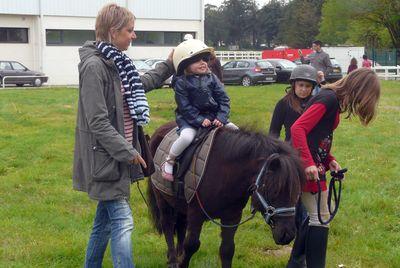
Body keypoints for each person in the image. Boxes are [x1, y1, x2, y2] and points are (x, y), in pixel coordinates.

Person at [72, 4, 174, 267]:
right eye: (130, 30)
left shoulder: (118, 63)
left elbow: (141, 84)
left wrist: (168, 66)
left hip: (117, 158)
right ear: (113, 31)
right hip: (106, 160)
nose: (134, 35)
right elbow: (97, 121)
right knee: (122, 221)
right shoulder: (94, 66)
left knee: (103, 224)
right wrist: (129, 153)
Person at [289, 68, 380, 267]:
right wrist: (309, 163)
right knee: (320, 218)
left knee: (319, 216)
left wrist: (329, 159)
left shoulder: (333, 100)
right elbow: (298, 129)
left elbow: (317, 135)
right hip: (305, 163)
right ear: (360, 89)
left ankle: (295, 263)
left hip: (314, 162)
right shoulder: (329, 99)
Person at [161, 39, 236, 181]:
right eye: (196, 60)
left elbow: (224, 99)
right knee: (186, 137)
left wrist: (221, 117)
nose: (203, 63)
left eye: (205, 59)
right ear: (184, 64)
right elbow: (185, 107)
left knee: (237, 133)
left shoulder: (212, 78)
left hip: (214, 117)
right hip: (190, 120)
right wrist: (199, 120)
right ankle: (170, 161)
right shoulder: (181, 83)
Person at [269, 64, 318, 141]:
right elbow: (273, 132)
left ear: (312, 88)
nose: (304, 89)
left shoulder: (316, 103)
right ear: (294, 85)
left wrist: (323, 83)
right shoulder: (283, 103)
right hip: (291, 149)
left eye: (308, 86)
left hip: (312, 148)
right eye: (300, 85)